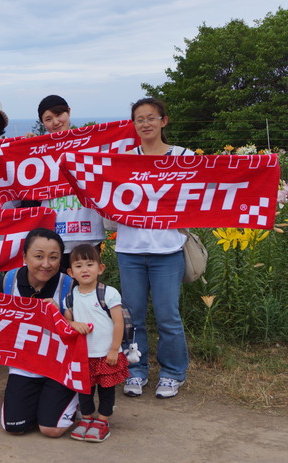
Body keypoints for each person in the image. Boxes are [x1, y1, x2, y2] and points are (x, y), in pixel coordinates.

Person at [118, 97, 191, 399]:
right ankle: (135, 371)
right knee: (131, 316)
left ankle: (173, 373)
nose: (145, 123)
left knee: (167, 316)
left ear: (164, 121)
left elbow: (206, 190)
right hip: (129, 250)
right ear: (133, 125)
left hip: (168, 250)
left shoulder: (183, 156)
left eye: (151, 117)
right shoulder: (122, 159)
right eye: (139, 119)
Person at [0, 228, 77, 438]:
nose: (46, 264)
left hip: (59, 366)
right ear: (24, 257)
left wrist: (60, 314)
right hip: (24, 365)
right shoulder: (8, 281)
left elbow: (87, 326)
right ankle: (39, 400)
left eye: (54, 257)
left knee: (51, 429)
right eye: (38, 256)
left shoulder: (70, 285)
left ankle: (67, 396)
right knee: (14, 426)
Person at [62, 244, 128, 442]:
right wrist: (73, 323)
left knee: (106, 389)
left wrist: (114, 349)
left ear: (100, 268)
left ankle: (102, 421)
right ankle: (87, 417)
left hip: (106, 353)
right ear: (70, 272)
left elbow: (119, 322)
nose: (84, 270)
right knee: (85, 390)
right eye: (79, 265)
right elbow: (67, 320)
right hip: (83, 355)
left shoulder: (108, 293)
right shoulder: (71, 297)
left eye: (90, 264)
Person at [36, 95, 105, 269]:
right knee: (56, 291)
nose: (56, 122)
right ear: (42, 123)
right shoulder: (36, 150)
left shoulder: (90, 143)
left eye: (59, 114)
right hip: (53, 237)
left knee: (87, 289)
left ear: (69, 112)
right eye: (48, 119)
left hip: (88, 233)